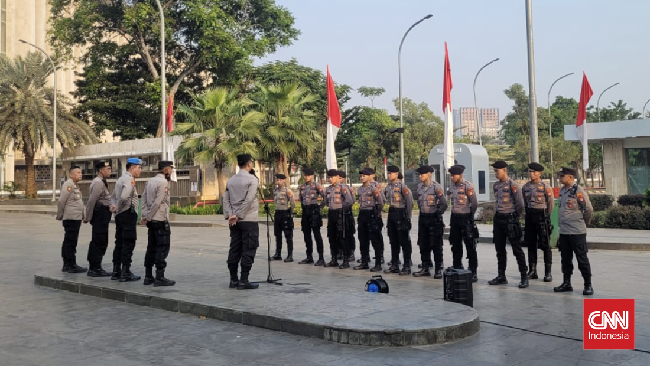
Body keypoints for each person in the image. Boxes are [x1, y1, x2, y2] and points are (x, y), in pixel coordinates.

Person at [554, 167, 594, 296]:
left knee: (582, 259)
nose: (559, 178)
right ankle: (567, 283)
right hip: (565, 232)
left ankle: (588, 285)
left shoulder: (579, 191)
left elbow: (589, 209)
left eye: (562, 176)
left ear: (570, 177)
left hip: (577, 232)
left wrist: (584, 223)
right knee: (565, 259)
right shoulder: (563, 191)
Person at [488, 160, 528, 288]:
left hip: (510, 219)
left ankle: (524, 276)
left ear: (504, 170)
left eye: (497, 171)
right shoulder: (496, 185)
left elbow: (520, 204)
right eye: (494, 171)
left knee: (517, 249)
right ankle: (501, 276)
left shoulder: (513, 185)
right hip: (498, 219)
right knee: (499, 249)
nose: (495, 173)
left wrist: (514, 216)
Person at [224, 154, 260, 290]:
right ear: (249, 164)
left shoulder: (231, 180)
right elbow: (249, 200)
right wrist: (239, 215)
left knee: (235, 249)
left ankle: (233, 280)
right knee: (249, 249)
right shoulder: (252, 180)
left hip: (234, 221)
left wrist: (230, 215)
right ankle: (244, 280)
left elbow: (225, 199)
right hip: (248, 219)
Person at [140, 160, 176, 287]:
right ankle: (159, 277)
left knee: (151, 247)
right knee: (162, 247)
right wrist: (149, 216)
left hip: (151, 220)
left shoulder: (150, 181)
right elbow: (158, 201)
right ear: (166, 170)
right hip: (159, 218)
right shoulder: (163, 182)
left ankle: (148, 276)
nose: (171, 172)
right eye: (170, 169)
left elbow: (143, 199)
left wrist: (145, 215)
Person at [111, 157, 143, 282]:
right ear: (132, 168)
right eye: (139, 168)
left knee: (119, 242)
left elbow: (113, 196)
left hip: (120, 215)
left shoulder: (120, 179)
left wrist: (115, 209)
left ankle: (116, 271)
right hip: (127, 214)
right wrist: (119, 208)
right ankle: (125, 272)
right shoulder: (130, 180)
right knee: (128, 242)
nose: (140, 170)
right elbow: (124, 197)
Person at [412, 165, 447, 278]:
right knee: (423, 244)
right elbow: (419, 202)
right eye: (419, 174)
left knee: (436, 244)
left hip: (433, 218)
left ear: (429, 174)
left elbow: (444, 204)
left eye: (422, 174)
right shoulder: (419, 187)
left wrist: (437, 214)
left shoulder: (436, 187)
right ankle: (425, 267)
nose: (420, 176)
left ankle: (438, 269)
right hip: (423, 217)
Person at [522, 162, 554, 282]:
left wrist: (546, 216)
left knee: (545, 245)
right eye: (530, 171)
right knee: (531, 244)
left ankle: (548, 272)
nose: (531, 174)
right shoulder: (525, 187)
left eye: (534, 172)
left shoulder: (545, 187)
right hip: (530, 216)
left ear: (539, 173)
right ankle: (533, 270)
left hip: (541, 216)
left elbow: (550, 204)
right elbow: (524, 203)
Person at [447, 165, 479, 282]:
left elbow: (474, 203)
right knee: (455, 244)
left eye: (453, 175)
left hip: (465, 218)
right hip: (455, 218)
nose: (451, 177)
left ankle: (473, 270)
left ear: (460, 175)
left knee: (470, 245)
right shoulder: (452, 187)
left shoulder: (467, 186)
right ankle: (457, 266)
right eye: (451, 175)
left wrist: (469, 215)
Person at [84, 160, 114, 277]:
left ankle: (96, 266)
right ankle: (94, 268)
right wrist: (88, 217)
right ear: (101, 171)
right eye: (108, 169)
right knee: (99, 240)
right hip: (100, 215)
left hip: (103, 214)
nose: (110, 171)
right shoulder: (98, 183)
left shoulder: (101, 182)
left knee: (101, 240)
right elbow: (92, 200)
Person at [383, 166, 414, 275]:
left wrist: (408, 216)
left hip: (401, 214)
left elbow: (410, 201)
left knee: (404, 241)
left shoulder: (402, 187)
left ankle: (406, 265)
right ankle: (395, 264)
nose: (389, 175)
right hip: (392, 213)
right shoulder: (388, 187)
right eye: (388, 173)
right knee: (393, 240)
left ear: (397, 174)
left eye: (391, 173)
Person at [56, 166, 87, 273]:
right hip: (71, 218)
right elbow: (61, 201)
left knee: (70, 241)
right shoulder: (68, 185)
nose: (80, 174)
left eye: (81, 172)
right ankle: (70, 265)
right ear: (71, 174)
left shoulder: (74, 185)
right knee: (70, 242)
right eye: (78, 172)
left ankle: (68, 264)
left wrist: (83, 215)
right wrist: (60, 215)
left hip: (75, 218)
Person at [354, 168, 385, 271]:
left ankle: (378, 263)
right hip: (362, 214)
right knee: (362, 239)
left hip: (371, 214)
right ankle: (364, 262)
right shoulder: (360, 189)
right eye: (361, 176)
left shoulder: (373, 189)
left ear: (369, 177)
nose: (362, 177)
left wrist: (376, 213)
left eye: (364, 176)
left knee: (375, 240)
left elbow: (381, 203)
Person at [323, 169, 354, 268]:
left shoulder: (342, 188)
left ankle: (346, 260)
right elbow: (325, 201)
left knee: (342, 237)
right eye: (329, 177)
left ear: (337, 177)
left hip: (340, 213)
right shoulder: (328, 189)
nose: (330, 179)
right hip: (331, 213)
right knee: (332, 237)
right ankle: (334, 259)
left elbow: (349, 201)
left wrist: (341, 207)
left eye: (332, 177)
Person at [298, 168, 326, 266]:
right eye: (305, 175)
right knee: (306, 235)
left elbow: (325, 197)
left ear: (312, 176)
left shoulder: (317, 185)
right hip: (306, 211)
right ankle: (309, 256)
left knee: (316, 235)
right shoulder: (302, 187)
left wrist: (319, 207)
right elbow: (301, 199)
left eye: (308, 175)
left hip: (314, 210)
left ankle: (321, 258)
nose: (306, 177)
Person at [271, 173, 295, 262]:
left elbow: (292, 204)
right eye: (277, 180)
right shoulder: (275, 190)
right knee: (277, 235)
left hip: (285, 214)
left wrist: (289, 213)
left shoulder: (288, 191)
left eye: (280, 180)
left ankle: (290, 255)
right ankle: (278, 254)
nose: (279, 181)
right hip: (277, 214)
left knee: (288, 235)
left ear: (284, 180)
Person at [338, 170, 356, 262]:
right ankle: (340, 251)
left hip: (346, 214)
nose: (338, 179)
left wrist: (343, 206)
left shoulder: (348, 188)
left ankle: (351, 252)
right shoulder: (333, 188)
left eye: (340, 178)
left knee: (349, 234)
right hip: (338, 214)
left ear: (344, 179)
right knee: (339, 234)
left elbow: (352, 201)